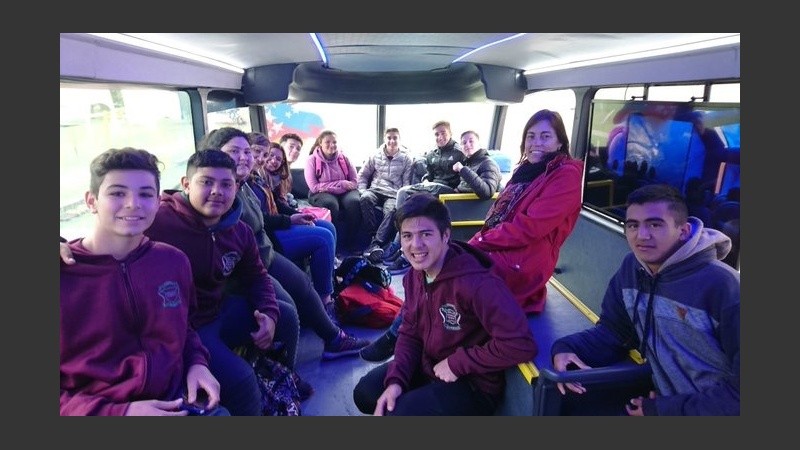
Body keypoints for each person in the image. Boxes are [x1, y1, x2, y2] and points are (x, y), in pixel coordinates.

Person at [60, 147, 228, 416]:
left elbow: (183, 327)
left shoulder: (173, 261)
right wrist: (121, 413)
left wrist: (197, 362)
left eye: (146, 194)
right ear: (91, 201)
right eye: (117, 193)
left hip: (175, 398)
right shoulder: (65, 273)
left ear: (158, 202)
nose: (133, 204)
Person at [550, 184, 739, 416]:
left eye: (655, 224)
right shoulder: (633, 269)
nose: (642, 236)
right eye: (633, 225)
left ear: (683, 230)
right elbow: (615, 333)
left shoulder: (724, 286)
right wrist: (567, 348)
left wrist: (664, 410)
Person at [351, 193, 537, 415]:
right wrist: (397, 381)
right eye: (407, 236)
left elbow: (520, 344)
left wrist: (457, 363)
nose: (415, 245)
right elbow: (410, 332)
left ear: (446, 235)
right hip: (430, 364)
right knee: (366, 393)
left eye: (426, 234)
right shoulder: (414, 276)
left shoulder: (478, 284)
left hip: (472, 384)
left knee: (398, 414)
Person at [200, 128, 369, 363]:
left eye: (247, 152)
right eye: (234, 151)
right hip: (251, 264)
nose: (245, 157)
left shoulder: (244, 184)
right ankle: (284, 370)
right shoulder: (223, 194)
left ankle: (333, 337)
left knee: (303, 284)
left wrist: (291, 216)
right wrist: (287, 221)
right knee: (288, 310)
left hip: (265, 251)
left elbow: (263, 217)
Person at [362, 130, 503, 361]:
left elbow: (486, 191)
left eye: (471, 141)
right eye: (464, 142)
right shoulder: (467, 161)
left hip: (463, 218)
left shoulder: (486, 164)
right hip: (455, 210)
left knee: (408, 200)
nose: (467, 145)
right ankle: (399, 250)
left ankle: (396, 336)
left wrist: (462, 170)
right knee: (417, 276)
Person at [468, 109, 583, 313]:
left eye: (545, 136)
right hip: (503, 248)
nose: (536, 143)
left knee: (453, 271)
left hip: (527, 261)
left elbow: (529, 228)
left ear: (560, 143)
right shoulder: (525, 171)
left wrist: (479, 241)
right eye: (531, 136)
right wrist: (478, 242)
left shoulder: (566, 175)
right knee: (438, 263)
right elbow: (499, 218)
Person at [248, 132, 339, 305]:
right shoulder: (245, 183)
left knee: (328, 227)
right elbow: (260, 219)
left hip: (276, 223)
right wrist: (290, 220)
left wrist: (295, 214)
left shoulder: (256, 178)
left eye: (264, 154)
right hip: (269, 235)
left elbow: (276, 203)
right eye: (256, 152)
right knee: (323, 237)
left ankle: (329, 279)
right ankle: (324, 297)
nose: (261, 159)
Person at [383, 121, 466, 274]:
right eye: (437, 134)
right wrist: (426, 180)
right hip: (431, 187)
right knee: (402, 192)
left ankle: (404, 255)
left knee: (420, 195)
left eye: (443, 133)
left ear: (450, 133)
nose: (440, 137)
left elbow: (467, 172)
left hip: (448, 191)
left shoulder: (459, 152)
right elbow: (429, 174)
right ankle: (399, 242)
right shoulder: (432, 154)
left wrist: (459, 187)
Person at [359, 127, 414, 264]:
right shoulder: (375, 155)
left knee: (390, 210)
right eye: (389, 138)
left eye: (395, 138)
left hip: (393, 193)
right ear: (385, 139)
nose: (392, 141)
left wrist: (402, 199)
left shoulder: (406, 158)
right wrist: (362, 190)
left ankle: (375, 244)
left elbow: (406, 184)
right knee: (365, 198)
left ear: (400, 140)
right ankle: (373, 238)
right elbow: (363, 175)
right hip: (375, 189)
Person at [304, 130, 363, 255]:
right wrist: (340, 184)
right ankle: (332, 245)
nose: (332, 145)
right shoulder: (311, 160)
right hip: (321, 193)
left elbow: (354, 181)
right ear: (320, 143)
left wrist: (341, 186)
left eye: (334, 142)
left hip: (345, 191)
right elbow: (314, 187)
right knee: (331, 204)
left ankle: (352, 243)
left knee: (354, 202)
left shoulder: (344, 158)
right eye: (327, 142)